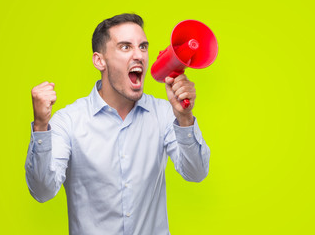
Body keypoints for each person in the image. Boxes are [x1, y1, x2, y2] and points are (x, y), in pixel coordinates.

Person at [25, 13, 210, 235]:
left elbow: (196, 172)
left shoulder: (163, 113)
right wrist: (41, 126)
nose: (139, 55)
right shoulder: (69, 121)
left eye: (143, 47)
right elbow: (42, 191)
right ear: (99, 60)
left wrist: (184, 118)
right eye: (125, 47)